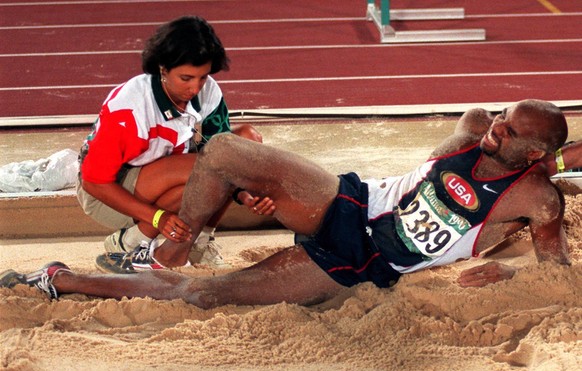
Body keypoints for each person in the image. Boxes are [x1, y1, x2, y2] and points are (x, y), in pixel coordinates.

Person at [2, 100, 580, 308]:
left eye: (508, 133)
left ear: (532, 152)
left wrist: (504, 271)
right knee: (226, 150)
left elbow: (556, 277)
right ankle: (167, 249)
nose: (495, 129)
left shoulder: (537, 198)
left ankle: (61, 280)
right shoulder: (474, 129)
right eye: (501, 118)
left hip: (361, 263)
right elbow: (525, 139)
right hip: (345, 199)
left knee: (204, 295)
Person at [75, 15, 272, 272]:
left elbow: (226, 158)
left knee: (246, 141)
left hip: (168, 174)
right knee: (205, 166)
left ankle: (200, 241)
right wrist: (158, 218)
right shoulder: (130, 107)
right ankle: (131, 241)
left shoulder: (208, 92)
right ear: (163, 68)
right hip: (107, 194)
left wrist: (244, 194)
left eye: (202, 77)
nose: (195, 88)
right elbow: (93, 181)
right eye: (186, 78)